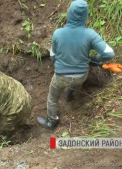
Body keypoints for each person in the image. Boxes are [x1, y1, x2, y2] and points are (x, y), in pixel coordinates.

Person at [37, 0, 115, 130]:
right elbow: (109, 53)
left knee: (52, 97)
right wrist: (94, 60)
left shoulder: (58, 33)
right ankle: (70, 95)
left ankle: (51, 121)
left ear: (69, 14)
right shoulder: (90, 34)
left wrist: (60, 63)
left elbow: (53, 56)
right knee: (75, 83)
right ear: (85, 16)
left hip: (61, 75)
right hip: (81, 75)